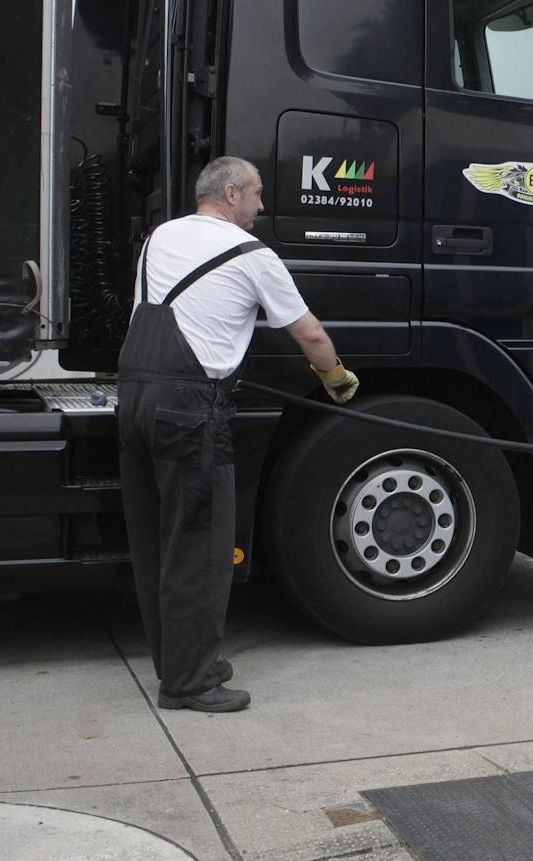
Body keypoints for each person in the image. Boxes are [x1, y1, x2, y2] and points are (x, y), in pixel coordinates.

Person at [117, 156, 360, 713]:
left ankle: (183, 662)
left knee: (159, 544)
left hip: (134, 400)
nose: (262, 205)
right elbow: (311, 334)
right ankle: (191, 683)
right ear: (231, 194)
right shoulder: (255, 255)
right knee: (201, 547)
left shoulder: (161, 236)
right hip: (189, 410)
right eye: (256, 194)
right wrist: (338, 380)